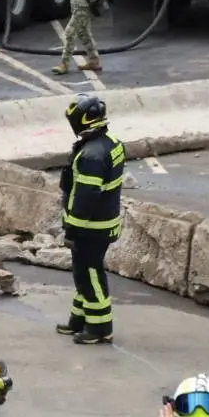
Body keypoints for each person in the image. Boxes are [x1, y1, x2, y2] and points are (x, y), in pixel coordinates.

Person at [58, 92, 125, 344]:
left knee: (90, 275)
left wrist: (72, 229)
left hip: (90, 227)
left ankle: (99, 328)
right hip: (103, 222)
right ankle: (79, 319)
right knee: (83, 273)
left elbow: (85, 196)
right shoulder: (110, 142)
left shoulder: (91, 156)